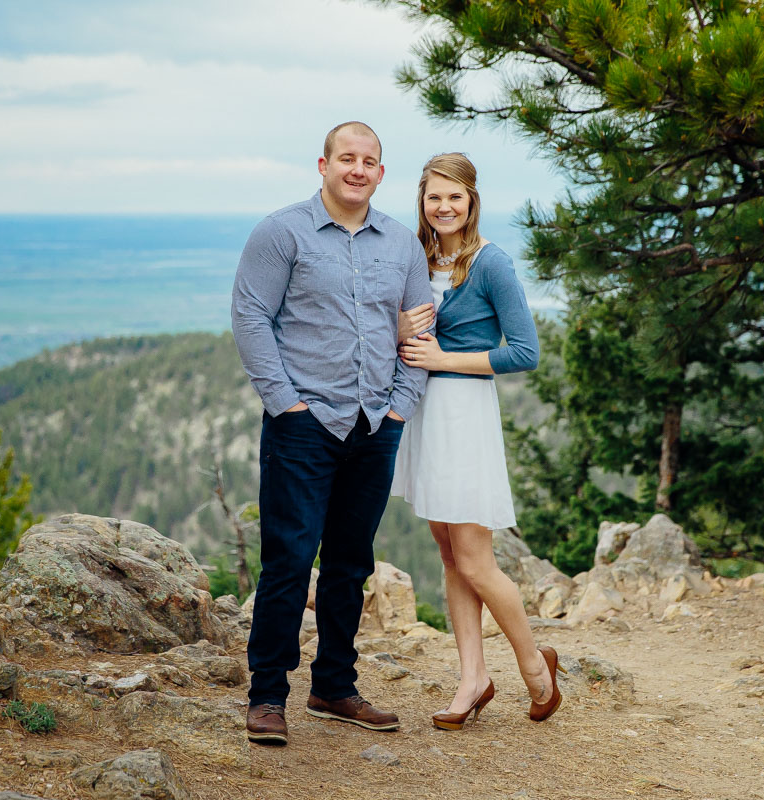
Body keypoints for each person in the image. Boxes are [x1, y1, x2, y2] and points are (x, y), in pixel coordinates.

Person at [230, 121, 431, 746]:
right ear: (323, 164)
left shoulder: (402, 244)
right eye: (347, 158)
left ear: (379, 172)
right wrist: (284, 403)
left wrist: (401, 406)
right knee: (288, 560)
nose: (358, 169)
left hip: (375, 423)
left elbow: (418, 333)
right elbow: (250, 315)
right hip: (304, 424)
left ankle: (334, 687)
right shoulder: (281, 231)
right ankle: (267, 695)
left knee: (350, 562)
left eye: (369, 161)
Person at [391, 152, 563, 730]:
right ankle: (473, 678)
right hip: (423, 416)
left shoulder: (491, 264)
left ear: (471, 202)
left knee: (475, 558)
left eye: (454, 197)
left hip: (465, 414)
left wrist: (443, 358)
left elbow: (525, 351)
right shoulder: (416, 260)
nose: (443, 206)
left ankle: (535, 667)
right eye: (433, 196)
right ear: (421, 200)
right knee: (448, 555)